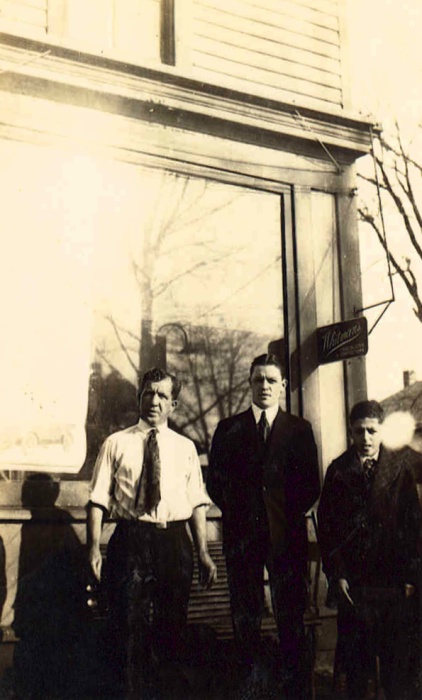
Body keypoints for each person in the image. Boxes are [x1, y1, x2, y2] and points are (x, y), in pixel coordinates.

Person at [87, 367, 217, 698]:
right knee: (128, 629)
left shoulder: (186, 448)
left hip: (174, 543)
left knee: (172, 630)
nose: (154, 401)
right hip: (131, 541)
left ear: (173, 404)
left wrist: (203, 552)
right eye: (149, 393)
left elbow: (197, 503)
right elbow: (98, 500)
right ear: (139, 398)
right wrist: (93, 549)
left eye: (162, 395)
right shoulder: (116, 443)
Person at [207, 353, 320, 699]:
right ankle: (250, 688)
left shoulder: (299, 430)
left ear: (283, 386)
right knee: (246, 617)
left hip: (287, 538)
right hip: (243, 538)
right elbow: (215, 483)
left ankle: (293, 690)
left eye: (272, 380)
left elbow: (310, 485)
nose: (265, 386)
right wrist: (243, 514)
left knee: (291, 617)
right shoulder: (229, 429)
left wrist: (282, 517)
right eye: (259, 380)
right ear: (249, 383)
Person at [317, 400, 422, 700]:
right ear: (351, 432)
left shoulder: (399, 469)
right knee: (357, 674)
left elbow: (413, 526)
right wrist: (337, 575)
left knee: (397, 671)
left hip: (393, 583)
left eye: (372, 431)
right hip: (355, 585)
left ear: (382, 431)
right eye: (359, 431)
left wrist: (411, 577)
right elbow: (328, 529)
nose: (365, 438)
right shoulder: (338, 471)